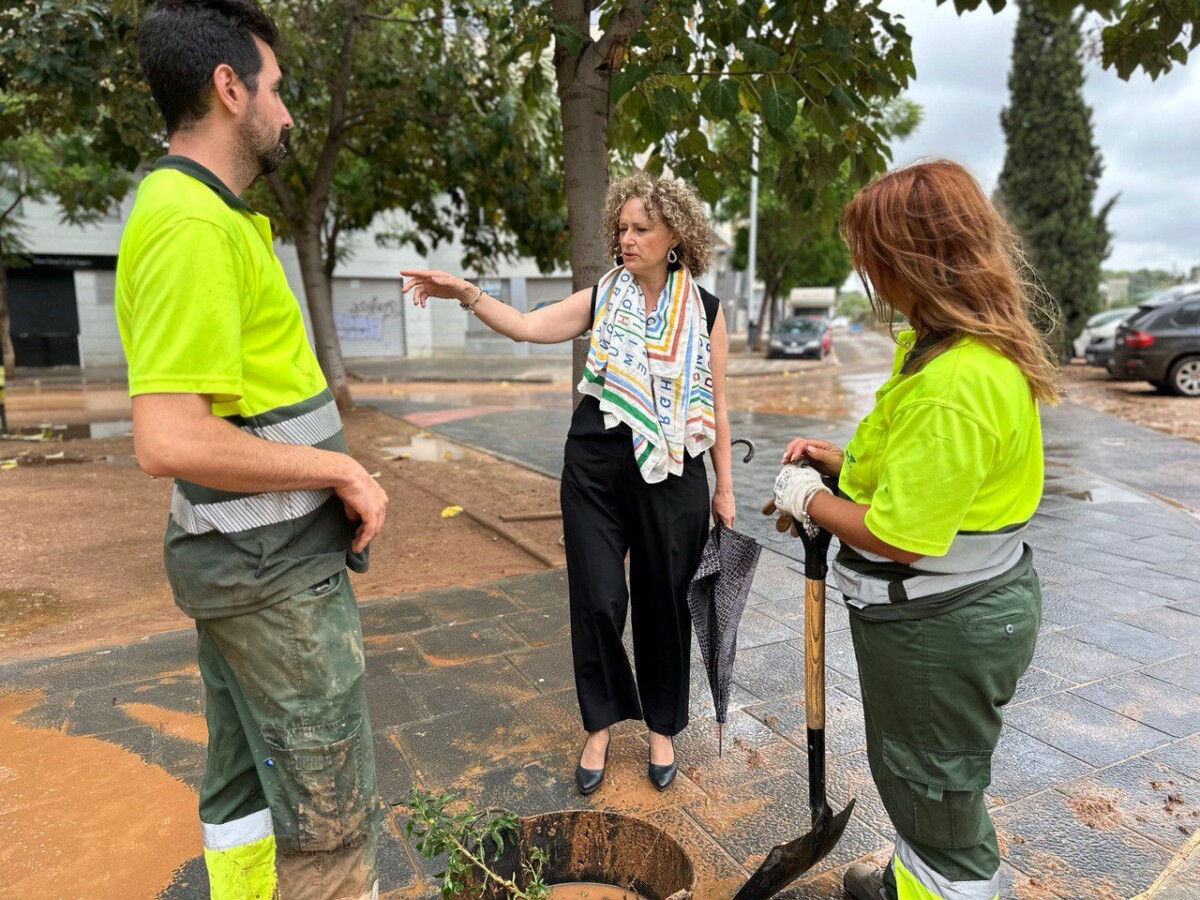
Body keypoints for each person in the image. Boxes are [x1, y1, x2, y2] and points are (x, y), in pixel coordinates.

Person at [118, 2, 387, 897]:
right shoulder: (191, 226)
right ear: (229, 89)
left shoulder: (202, 215)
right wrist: (340, 467)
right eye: (276, 88)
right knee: (331, 826)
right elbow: (169, 437)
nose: (287, 111)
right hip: (272, 583)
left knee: (244, 788)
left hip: (245, 571)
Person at [769, 159, 1056, 900]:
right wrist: (840, 466)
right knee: (922, 766)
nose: (866, 272)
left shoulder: (953, 386)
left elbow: (900, 534)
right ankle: (918, 875)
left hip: (940, 625)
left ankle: (953, 888)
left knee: (930, 778)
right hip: (953, 613)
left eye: (874, 257)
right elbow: (932, 477)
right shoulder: (951, 350)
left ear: (915, 260)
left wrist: (808, 499)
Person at [401, 174, 735, 794]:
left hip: (674, 469)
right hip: (595, 464)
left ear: (674, 236)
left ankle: (661, 727)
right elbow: (527, 326)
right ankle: (600, 723)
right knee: (598, 598)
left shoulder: (707, 311)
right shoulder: (602, 296)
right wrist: (466, 292)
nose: (626, 239)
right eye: (622, 228)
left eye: (641, 229)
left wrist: (725, 487)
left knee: (665, 602)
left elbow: (716, 402)